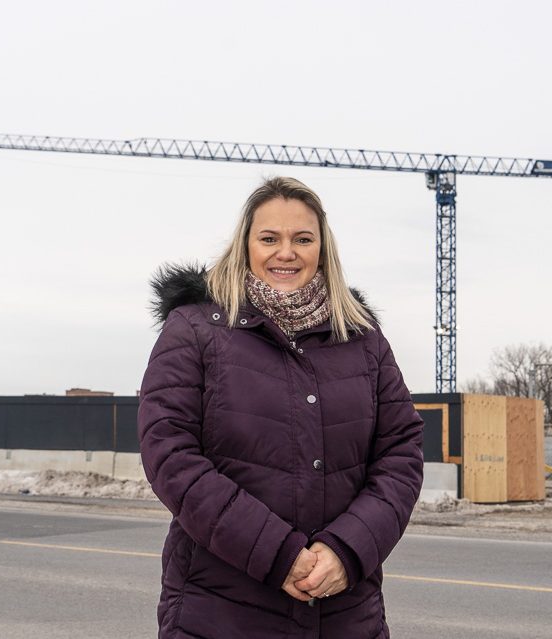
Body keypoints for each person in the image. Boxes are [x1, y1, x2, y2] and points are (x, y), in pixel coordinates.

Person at [138, 176, 424, 638]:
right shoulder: (194, 331)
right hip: (220, 612)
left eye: (302, 239)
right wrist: (278, 554)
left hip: (345, 613)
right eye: (269, 238)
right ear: (245, 245)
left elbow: (401, 453)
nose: (285, 252)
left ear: (322, 249)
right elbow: (169, 453)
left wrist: (346, 552)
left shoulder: (364, 341)